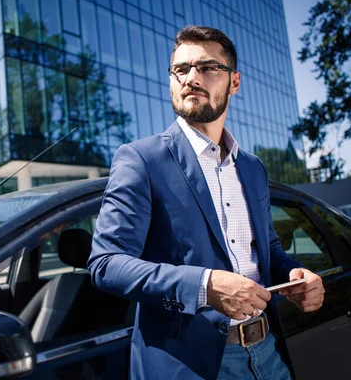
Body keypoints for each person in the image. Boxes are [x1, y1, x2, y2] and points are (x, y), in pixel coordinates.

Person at [88, 25, 325, 380]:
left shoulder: (253, 167)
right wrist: (205, 286)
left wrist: (293, 275)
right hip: (190, 365)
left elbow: (267, 249)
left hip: (268, 353)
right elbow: (106, 264)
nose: (191, 78)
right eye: (181, 69)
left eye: (207, 68)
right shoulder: (141, 159)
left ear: (234, 82)